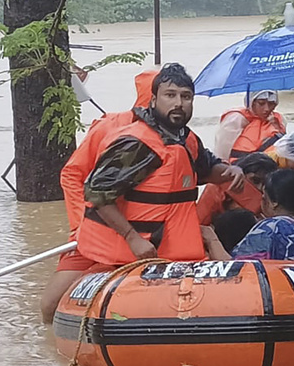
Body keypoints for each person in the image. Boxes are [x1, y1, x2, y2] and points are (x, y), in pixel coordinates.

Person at [72, 63, 245, 269]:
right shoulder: (136, 143)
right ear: (153, 101)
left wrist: (232, 170)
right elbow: (96, 193)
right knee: (50, 301)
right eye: (170, 95)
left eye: (186, 96)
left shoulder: (186, 139)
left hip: (174, 255)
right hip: (131, 254)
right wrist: (132, 237)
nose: (178, 103)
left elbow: (207, 169)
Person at [40, 68, 158, 324]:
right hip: (99, 231)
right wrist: (79, 226)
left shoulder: (181, 139)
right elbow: (72, 175)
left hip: (151, 237)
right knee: (49, 306)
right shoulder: (110, 127)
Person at [203, 169, 294, 261]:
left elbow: (236, 269)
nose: (261, 201)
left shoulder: (274, 227)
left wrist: (211, 239)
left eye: (264, 197)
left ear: (274, 202)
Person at [196, 152, 277, 226]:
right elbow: (199, 224)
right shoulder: (216, 190)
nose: (259, 188)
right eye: (255, 180)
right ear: (241, 175)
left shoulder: (266, 207)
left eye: (264, 185)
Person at [215, 89, 287, 163]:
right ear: (252, 103)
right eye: (261, 103)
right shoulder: (236, 119)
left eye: (271, 104)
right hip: (242, 165)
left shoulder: (278, 120)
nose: (267, 109)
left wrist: (275, 125)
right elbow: (222, 150)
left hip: (272, 164)